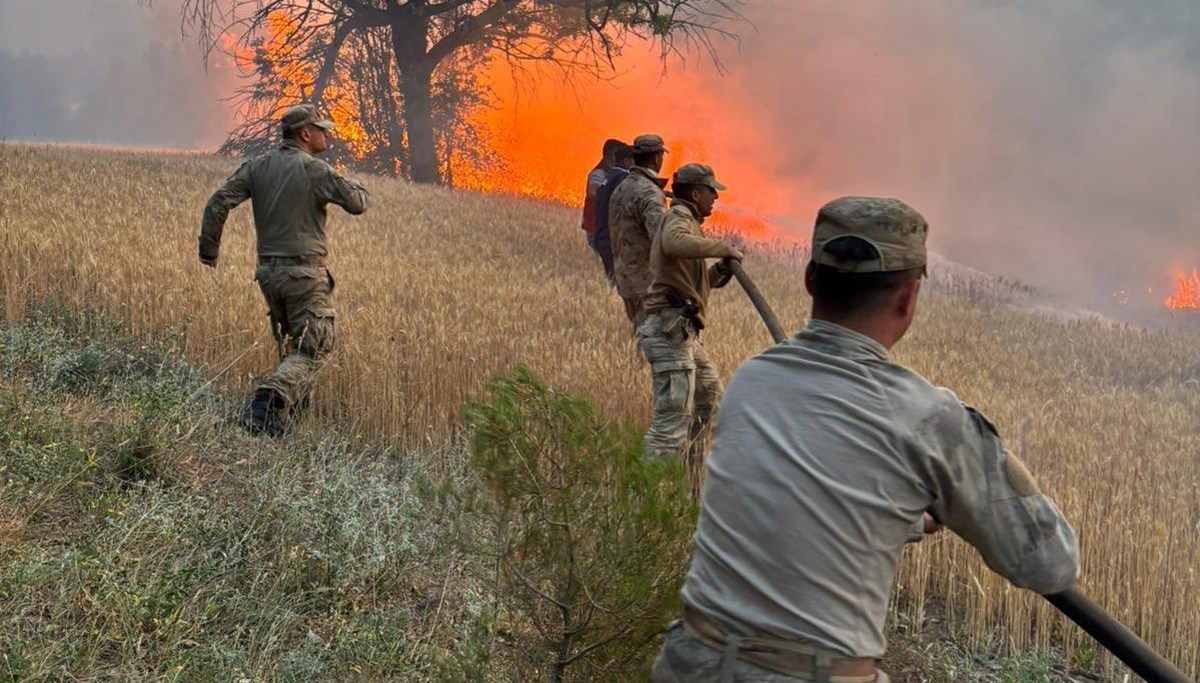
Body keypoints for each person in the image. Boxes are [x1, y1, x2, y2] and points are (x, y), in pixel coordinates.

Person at [651, 196, 1080, 683]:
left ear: (811, 279)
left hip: (689, 663)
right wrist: (977, 451)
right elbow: (1050, 563)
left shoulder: (752, 379)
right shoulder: (929, 417)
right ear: (907, 299)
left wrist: (904, 515)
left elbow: (804, 499)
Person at [197, 104, 370, 437]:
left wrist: (209, 250)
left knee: (295, 346)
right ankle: (264, 405)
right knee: (315, 347)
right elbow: (357, 204)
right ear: (305, 133)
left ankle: (285, 422)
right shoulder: (314, 169)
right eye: (321, 128)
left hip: (268, 276)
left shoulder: (257, 167)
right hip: (304, 275)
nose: (326, 133)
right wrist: (355, 184)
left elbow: (218, 201)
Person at [638, 163, 744, 462]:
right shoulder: (679, 217)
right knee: (670, 424)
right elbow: (673, 243)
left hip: (684, 333)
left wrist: (720, 271)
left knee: (709, 397)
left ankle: (694, 470)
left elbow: (696, 287)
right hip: (669, 332)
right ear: (696, 194)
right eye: (712, 191)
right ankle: (644, 496)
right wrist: (722, 247)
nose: (716, 197)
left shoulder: (690, 225)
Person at [609, 133, 670, 326]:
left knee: (640, 336)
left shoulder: (622, 188)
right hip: (647, 283)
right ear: (656, 158)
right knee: (655, 343)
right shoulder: (650, 194)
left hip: (625, 277)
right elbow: (663, 240)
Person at [593, 142, 635, 282]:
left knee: (613, 280)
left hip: (602, 236)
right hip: (613, 239)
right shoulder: (622, 178)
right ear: (627, 161)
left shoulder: (609, 176)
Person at [582, 139, 625, 253]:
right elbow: (592, 192)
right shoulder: (599, 174)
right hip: (596, 228)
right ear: (609, 156)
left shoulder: (611, 175)